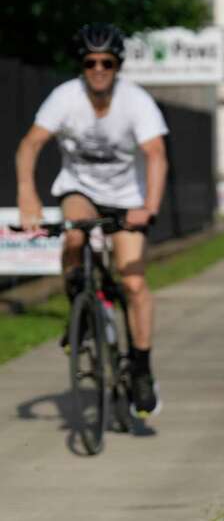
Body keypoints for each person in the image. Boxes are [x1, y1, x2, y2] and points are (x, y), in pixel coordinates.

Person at [15, 23, 169, 418]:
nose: (99, 69)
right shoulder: (64, 98)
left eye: (107, 62)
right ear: (81, 65)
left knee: (133, 282)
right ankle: (80, 310)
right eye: (90, 62)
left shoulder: (136, 101)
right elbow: (30, 145)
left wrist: (148, 207)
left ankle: (141, 366)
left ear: (117, 65)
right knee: (73, 239)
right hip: (79, 190)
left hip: (126, 199)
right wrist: (28, 197)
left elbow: (155, 154)